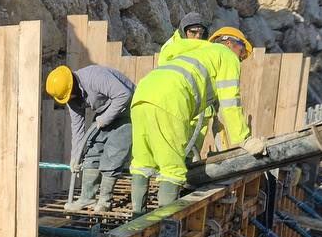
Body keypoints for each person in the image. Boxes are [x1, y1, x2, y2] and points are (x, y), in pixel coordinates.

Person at [129, 26, 266, 216]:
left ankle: (135, 217)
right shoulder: (226, 55)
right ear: (229, 42)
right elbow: (230, 102)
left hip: (143, 93)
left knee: (143, 160)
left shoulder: (193, 50)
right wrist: (244, 139)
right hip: (171, 99)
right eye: (242, 52)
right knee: (173, 168)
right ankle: (160, 223)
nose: (241, 59)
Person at [44, 63, 136, 212]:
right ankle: (87, 198)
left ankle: (105, 200)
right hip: (106, 111)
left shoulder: (95, 77)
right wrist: (75, 157)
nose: (70, 100)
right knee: (92, 148)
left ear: (72, 86)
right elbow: (78, 129)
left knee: (114, 152)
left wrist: (104, 119)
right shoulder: (72, 98)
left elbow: (124, 95)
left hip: (128, 109)